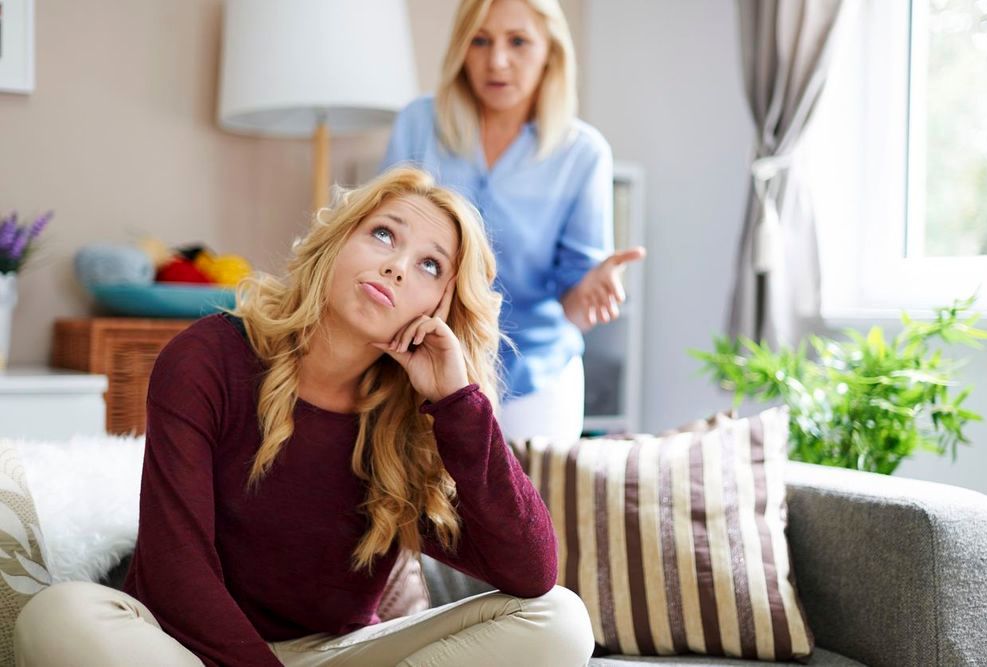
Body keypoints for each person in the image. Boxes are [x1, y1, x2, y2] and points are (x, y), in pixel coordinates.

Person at [13, 167, 594, 667]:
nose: (397, 267)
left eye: (429, 266)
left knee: (559, 619)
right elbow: (176, 572)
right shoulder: (208, 358)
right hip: (181, 648)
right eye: (384, 234)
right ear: (337, 242)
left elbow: (531, 571)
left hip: (331, 653)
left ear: (440, 307)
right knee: (59, 615)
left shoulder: (419, 421)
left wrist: (458, 402)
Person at [381, 0, 645, 442]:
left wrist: (592, 289)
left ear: (550, 52)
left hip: (534, 380)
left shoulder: (583, 154)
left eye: (518, 42)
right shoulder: (418, 123)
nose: (497, 61)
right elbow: (384, 237)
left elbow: (574, 306)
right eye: (480, 41)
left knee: (524, 491)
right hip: (418, 362)